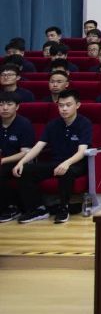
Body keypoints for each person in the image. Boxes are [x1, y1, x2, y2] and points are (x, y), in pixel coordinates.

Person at [12, 90, 93, 223]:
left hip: (77, 163)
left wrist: (67, 163)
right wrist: (21, 162)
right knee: (26, 170)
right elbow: (38, 146)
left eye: (68, 105)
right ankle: (38, 209)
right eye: (61, 105)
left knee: (66, 171)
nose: (64, 109)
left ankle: (63, 208)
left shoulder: (84, 123)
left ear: (77, 105)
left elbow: (81, 152)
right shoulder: (52, 124)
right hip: (56, 162)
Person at [0, 92, 37, 221]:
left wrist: (3, 160)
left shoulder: (24, 124)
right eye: (1, 104)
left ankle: (11, 207)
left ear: (17, 107)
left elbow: (26, 152)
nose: (4, 108)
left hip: (20, 161)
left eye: (9, 104)